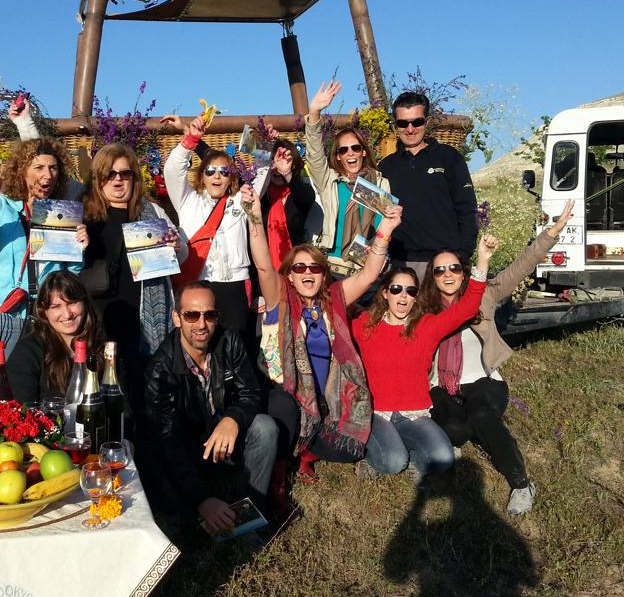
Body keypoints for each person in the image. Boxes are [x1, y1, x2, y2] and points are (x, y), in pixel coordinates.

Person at [428, 201, 575, 515]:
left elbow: (521, 266)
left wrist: (551, 233)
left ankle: (521, 484)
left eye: (454, 268)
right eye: (439, 270)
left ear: (464, 271)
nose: (447, 274)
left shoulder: (484, 295)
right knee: (456, 429)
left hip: (483, 380)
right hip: (442, 385)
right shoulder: (425, 310)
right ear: (433, 277)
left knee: (481, 415)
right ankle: (456, 434)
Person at [246, 184, 401, 482]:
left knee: (349, 449)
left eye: (315, 268)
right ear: (290, 275)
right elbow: (264, 267)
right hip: (286, 395)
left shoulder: (333, 301)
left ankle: (305, 449)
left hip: (325, 399)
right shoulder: (280, 299)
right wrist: (254, 215)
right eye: (299, 268)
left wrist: (385, 230)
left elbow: (369, 274)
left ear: (323, 274)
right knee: (284, 407)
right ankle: (279, 470)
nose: (307, 272)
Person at [351, 234, 499, 484]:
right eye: (396, 289)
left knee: (443, 458)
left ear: (416, 296)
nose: (403, 296)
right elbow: (335, 311)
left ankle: (401, 446)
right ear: (385, 293)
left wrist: (483, 261)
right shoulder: (365, 325)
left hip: (413, 413)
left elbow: (467, 308)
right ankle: (371, 456)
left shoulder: (426, 326)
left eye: (410, 291)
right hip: (375, 412)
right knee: (393, 462)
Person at [0, 137, 87, 403]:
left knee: (38, 393)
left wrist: (79, 248)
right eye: (38, 167)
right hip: (5, 315)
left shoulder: (59, 212)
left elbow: (68, 274)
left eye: (53, 168)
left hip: (44, 316)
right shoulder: (2, 206)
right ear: (22, 171)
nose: (47, 175)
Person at [144, 281, 278, 532]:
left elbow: (250, 391)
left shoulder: (229, 341)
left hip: (225, 438)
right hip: (189, 449)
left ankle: (251, 513)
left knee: (265, 428)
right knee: (172, 508)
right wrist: (202, 499)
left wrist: (233, 418)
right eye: (191, 315)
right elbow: (167, 439)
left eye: (209, 315)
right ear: (176, 318)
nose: (201, 324)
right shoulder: (159, 369)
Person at [80, 142, 186, 418]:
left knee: (143, 402)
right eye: (110, 174)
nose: (117, 180)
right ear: (98, 178)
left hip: (143, 328)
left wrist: (176, 247)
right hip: (98, 326)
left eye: (125, 173)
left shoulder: (152, 213)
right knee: (100, 404)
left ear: (134, 178)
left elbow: (182, 254)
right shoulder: (83, 216)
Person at [162, 113, 268, 333]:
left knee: (235, 343)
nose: (217, 176)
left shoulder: (242, 199)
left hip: (234, 286)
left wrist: (264, 140)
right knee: (198, 342)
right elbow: (172, 170)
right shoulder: (187, 200)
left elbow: (262, 170)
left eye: (224, 171)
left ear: (231, 178)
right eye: (210, 171)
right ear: (202, 176)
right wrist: (190, 138)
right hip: (197, 282)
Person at [378, 90, 478, 281]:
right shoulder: (386, 167)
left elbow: (467, 209)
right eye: (403, 123)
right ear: (395, 125)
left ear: (427, 121)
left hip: (443, 265)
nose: (410, 129)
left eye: (416, 122)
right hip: (399, 265)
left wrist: (462, 257)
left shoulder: (449, 158)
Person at [304, 80, 392, 276]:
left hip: (366, 267)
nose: (350, 153)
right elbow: (314, 155)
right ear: (338, 156)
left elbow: (382, 228)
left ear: (363, 151)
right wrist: (314, 112)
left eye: (355, 148)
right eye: (343, 150)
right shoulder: (330, 181)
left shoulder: (378, 183)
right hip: (333, 266)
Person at [6, 270, 101, 404]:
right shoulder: (28, 351)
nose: (67, 314)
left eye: (72, 303)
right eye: (56, 307)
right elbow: (22, 408)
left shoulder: (101, 345)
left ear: (84, 303)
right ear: (43, 311)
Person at [259, 139, 316, 268]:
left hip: (292, 267)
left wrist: (286, 173)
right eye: (274, 161)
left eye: (285, 161)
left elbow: (306, 197)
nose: (278, 167)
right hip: (261, 270)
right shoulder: (260, 195)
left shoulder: (299, 193)